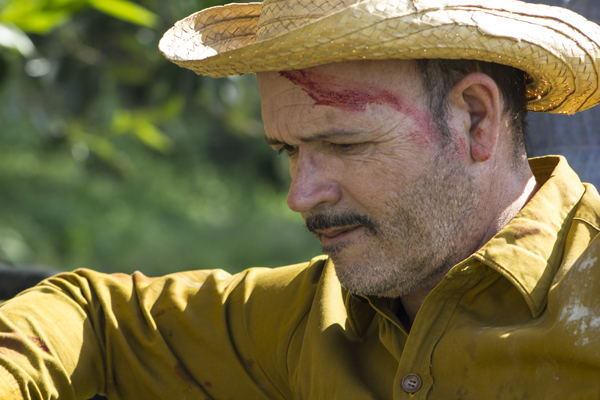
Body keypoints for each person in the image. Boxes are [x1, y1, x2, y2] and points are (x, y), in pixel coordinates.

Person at [2, 0, 600, 398]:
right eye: (287, 150)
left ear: (475, 119)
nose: (300, 195)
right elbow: (94, 315)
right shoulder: (310, 315)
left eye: (344, 143)